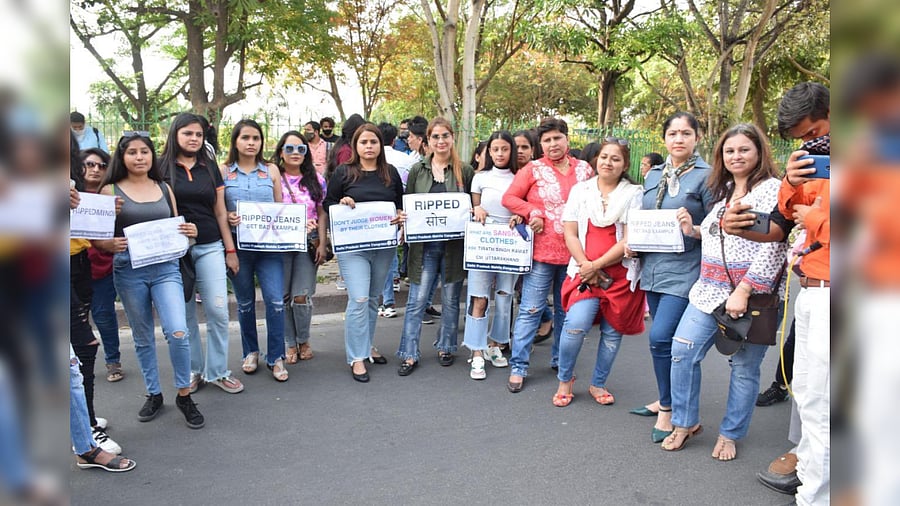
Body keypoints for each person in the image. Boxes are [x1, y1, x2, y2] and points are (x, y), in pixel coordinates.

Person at [723, 83, 831, 504]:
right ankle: (807, 467)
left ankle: (816, 496)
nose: (809, 143)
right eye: (802, 139)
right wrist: (789, 182)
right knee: (805, 391)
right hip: (810, 289)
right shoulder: (814, 160)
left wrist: (818, 218)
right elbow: (782, 223)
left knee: (822, 403)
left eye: (815, 132)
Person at [659, 123, 787, 460]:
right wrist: (696, 230)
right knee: (682, 352)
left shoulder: (774, 190)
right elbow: (723, 236)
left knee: (744, 369)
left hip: (751, 297)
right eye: (729, 151)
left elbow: (774, 247)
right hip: (707, 291)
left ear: (759, 151)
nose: (736, 156)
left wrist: (744, 290)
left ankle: (730, 434)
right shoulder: (724, 188)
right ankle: (685, 423)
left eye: (744, 149)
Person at [95, 132, 205, 428]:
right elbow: (97, 237)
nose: (140, 157)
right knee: (143, 337)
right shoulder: (109, 191)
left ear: (152, 156)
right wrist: (109, 244)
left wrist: (190, 232)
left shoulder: (164, 188)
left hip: (167, 268)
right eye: (132, 152)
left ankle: (184, 393)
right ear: (122, 157)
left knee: (178, 331)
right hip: (129, 270)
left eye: (145, 151)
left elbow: (177, 225)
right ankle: (154, 393)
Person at [628, 112, 714, 444]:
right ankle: (665, 396)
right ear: (664, 138)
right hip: (652, 268)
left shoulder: (707, 177)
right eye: (673, 133)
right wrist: (634, 243)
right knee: (659, 341)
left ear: (697, 138)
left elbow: (714, 225)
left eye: (686, 133)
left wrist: (691, 228)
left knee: (661, 338)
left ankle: (669, 407)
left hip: (686, 269)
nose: (678, 139)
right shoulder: (653, 175)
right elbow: (644, 215)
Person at [501, 117, 594, 393]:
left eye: (557, 138)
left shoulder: (585, 170)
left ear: (567, 139)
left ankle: (560, 362)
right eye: (547, 140)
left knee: (566, 311)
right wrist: (532, 211)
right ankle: (518, 366)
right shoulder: (533, 169)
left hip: (576, 254)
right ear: (540, 145)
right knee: (530, 309)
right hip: (542, 251)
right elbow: (509, 198)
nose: (553, 144)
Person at [552, 137, 645, 407]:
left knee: (612, 334)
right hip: (583, 273)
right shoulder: (581, 191)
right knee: (575, 327)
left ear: (625, 164)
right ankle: (565, 379)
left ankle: (599, 383)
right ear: (597, 159)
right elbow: (569, 232)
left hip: (618, 275)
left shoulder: (632, 193)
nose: (608, 162)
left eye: (616, 159)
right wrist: (585, 265)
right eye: (605, 157)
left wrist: (597, 264)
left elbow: (629, 239)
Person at [159, 112, 244, 394]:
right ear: (175, 135)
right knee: (185, 317)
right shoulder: (159, 168)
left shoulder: (210, 168)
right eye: (188, 134)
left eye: (198, 134)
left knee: (218, 311)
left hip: (209, 246)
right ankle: (194, 370)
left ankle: (218, 371)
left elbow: (220, 211)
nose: (194, 139)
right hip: (174, 254)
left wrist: (230, 250)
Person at [323, 123, 405, 382]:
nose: (369, 146)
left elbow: (399, 205)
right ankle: (356, 357)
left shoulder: (389, 173)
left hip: (382, 247)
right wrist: (342, 203)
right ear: (355, 146)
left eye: (374, 142)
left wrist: (401, 216)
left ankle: (367, 345)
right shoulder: (344, 173)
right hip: (353, 249)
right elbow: (328, 203)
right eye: (363, 142)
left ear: (381, 146)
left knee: (371, 299)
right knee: (358, 299)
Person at [396, 117, 474, 376]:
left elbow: (472, 207)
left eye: (445, 136)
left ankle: (446, 346)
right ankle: (408, 353)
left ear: (452, 138)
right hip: (424, 248)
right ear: (427, 141)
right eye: (435, 137)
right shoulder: (418, 170)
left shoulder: (465, 170)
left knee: (451, 300)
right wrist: (405, 217)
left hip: (454, 248)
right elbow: (408, 203)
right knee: (417, 300)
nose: (440, 141)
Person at [221, 119, 289, 382]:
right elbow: (219, 211)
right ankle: (250, 351)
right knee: (246, 303)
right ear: (235, 141)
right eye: (245, 138)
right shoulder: (224, 171)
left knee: (274, 301)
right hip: (238, 247)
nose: (251, 143)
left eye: (256, 138)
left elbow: (280, 209)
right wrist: (228, 216)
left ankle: (276, 357)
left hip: (269, 247)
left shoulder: (271, 170)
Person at [462, 130, 520, 379]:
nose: (499, 154)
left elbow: (523, 206)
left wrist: (520, 216)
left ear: (511, 151)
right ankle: (476, 350)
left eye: (504, 149)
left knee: (505, 296)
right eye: (494, 149)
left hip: (510, 245)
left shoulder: (520, 178)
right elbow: (473, 206)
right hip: (483, 244)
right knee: (479, 297)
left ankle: (496, 344)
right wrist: (477, 208)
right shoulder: (479, 178)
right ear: (488, 152)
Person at [274, 130, 327, 364]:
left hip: (309, 242)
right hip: (280, 243)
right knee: (284, 296)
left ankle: (303, 339)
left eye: (301, 149)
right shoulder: (273, 178)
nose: (295, 153)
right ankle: (289, 343)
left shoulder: (316, 178)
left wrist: (322, 243)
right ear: (281, 152)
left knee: (300, 296)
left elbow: (322, 211)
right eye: (289, 148)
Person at [81, 148, 124, 383]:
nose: (95, 169)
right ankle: (75, 362)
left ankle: (113, 361)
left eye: (101, 165)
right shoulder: (69, 194)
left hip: (104, 267)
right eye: (89, 164)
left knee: (104, 315)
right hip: (73, 266)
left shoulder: (113, 196)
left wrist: (116, 211)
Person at [512, 128, 553, 343]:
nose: (519, 151)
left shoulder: (539, 174)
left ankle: (545, 319)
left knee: (526, 289)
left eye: (525, 147)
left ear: (533, 149)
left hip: (536, 241)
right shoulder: (505, 172)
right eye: (515, 147)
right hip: (506, 241)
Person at [377, 122, 418, 319]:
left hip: (376, 218)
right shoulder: (407, 160)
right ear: (394, 140)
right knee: (390, 251)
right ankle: (390, 292)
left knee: (383, 255)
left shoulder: (380, 163)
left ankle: (387, 299)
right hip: (396, 213)